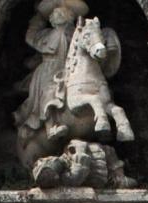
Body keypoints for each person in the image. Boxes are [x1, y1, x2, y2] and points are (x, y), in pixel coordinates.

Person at [15, 0, 89, 142]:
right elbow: (31, 37)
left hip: (70, 68)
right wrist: (37, 19)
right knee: (48, 94)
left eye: (62, 13)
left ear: (70, 17)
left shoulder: (74, 33)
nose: (58, 14)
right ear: (51, 20)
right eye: (55, 13)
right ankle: (51, 127)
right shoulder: (45, 35)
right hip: (48, 70)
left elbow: (87, 44)